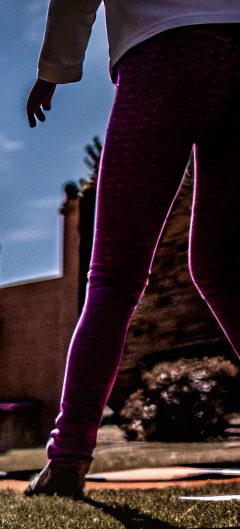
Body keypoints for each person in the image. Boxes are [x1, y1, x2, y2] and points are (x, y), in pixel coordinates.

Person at [23, 4, 240, 497]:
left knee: (114, 279)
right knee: (223, 268)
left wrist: (54, 70)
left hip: (163, 56)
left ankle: (67, 458)